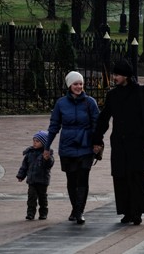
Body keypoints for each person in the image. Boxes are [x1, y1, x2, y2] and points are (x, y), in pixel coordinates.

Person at [93, 59, 144, 226]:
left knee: (136, 176)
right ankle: (126, 211)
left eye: (117, 74)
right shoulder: (113, 95)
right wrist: (97, 138)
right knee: (120, 177)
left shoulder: (143, 93)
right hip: (119, 143)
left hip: (138, 143)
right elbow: (104, 118)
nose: (114, 77)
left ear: (127, 76)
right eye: (114, 74)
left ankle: (137, 212)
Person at [46, 71, 100, 225]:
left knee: (83, 178)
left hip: (85, 145)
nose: (79, 87)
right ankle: (75, 208)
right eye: (75, 84)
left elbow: (97, 123)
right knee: (72, 179)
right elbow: (54, 125)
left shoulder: (90, 102)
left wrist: (97, 142)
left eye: (81, 84)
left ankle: (79, 211)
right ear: (69, 85)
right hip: (67, 146)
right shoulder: (61, 103)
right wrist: (46, 146)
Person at [16, 130, 54, 220]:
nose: (34, 143)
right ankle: (30, 213)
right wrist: (21, 175)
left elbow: (49, 164)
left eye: (37, 141)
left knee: (42, 198)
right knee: (31, 197)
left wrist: (47, 159)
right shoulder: (30, 153)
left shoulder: (47, 153)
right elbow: (24, 166)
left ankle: (43, 213)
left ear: (44, 143)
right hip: (32, 180)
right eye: (34, 141)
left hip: (42, 180)